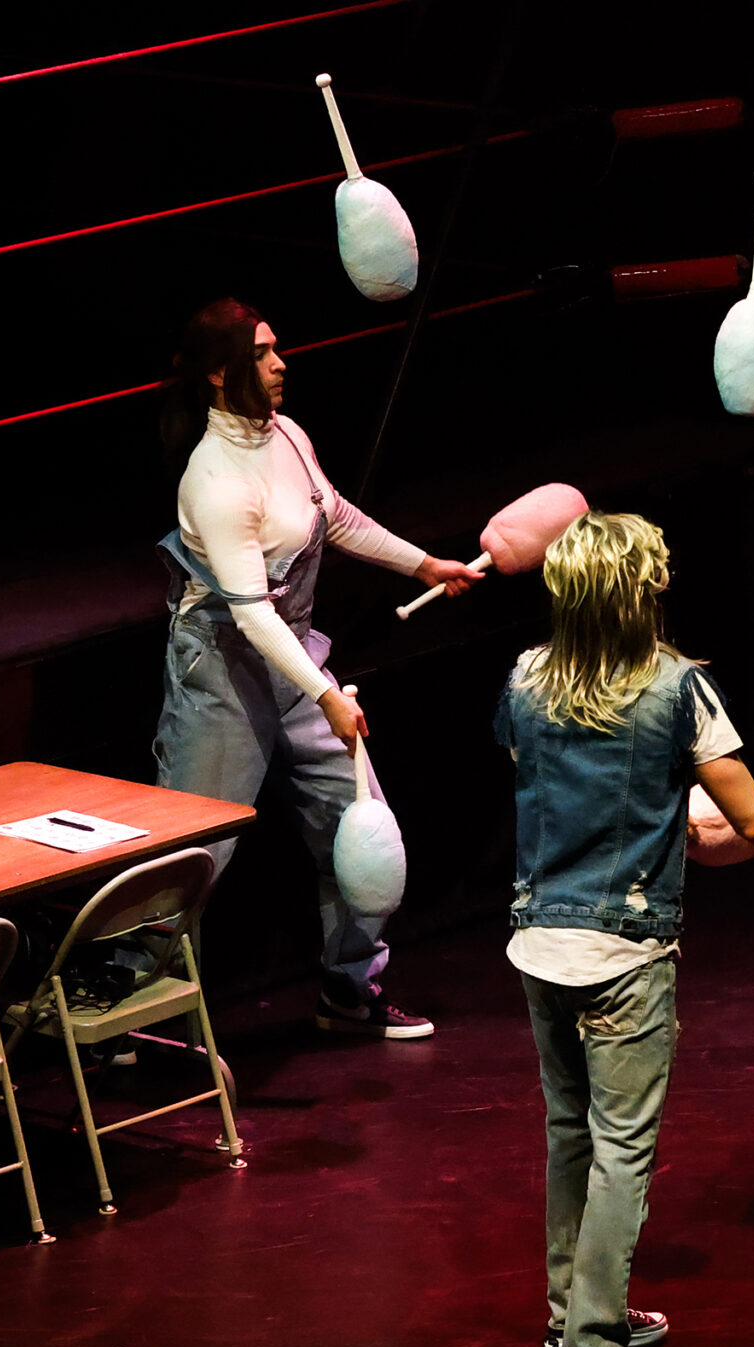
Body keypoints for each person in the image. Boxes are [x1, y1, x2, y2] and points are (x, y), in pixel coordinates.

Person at [497, 511, 754, 1347]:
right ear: (637, 596)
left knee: (570, 1134)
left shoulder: (526, 679)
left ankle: (571, 1317)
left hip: (539, 943)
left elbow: (535, 764)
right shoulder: (676, 688)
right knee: (622, 1153)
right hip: (622, 953)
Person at [152, 297, 483, 1040]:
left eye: (277, 349)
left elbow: (333, 515)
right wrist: (326, 697)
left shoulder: (287, 436)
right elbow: (249, 614)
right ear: (217, 373)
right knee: (190, 857)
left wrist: (424, 562)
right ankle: (129, 1014)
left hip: (293, 654)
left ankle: (348, 990)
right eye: (262, 354)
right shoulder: (215, 477)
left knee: (361, 830)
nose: (280, 364)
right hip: (224, 671)